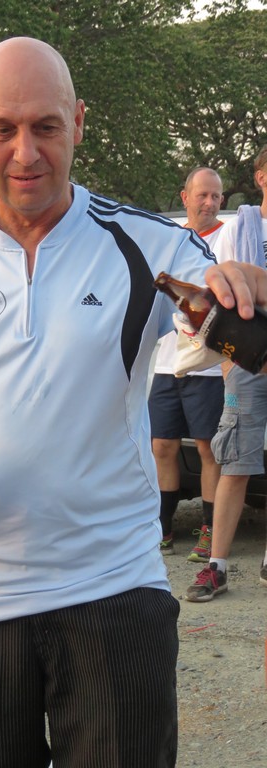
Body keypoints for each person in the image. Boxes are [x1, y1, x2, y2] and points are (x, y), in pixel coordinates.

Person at [0, 37, 267, 768]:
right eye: (3, 128)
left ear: (77, 123)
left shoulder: (146, 244)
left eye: (46, 126)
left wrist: (244, 291)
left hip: (112, 586)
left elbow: (227, 317)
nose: (26, 152)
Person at [186, 145, 267, 602]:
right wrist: (225, 358)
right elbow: (222, 294)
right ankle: (216, 566)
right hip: (246, 359)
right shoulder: (241, 227)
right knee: (236, 459)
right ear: (261, 177)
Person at [148, 168, 225, 561]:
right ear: (185, 197)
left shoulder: (228, 239)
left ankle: (209, 531)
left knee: (208, 448)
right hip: (166, 362)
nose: (208, 203)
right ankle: (163, 528)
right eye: (202, 195)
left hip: (207, 367)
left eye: (215, 196)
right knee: (162, 445)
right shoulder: (168, 240)